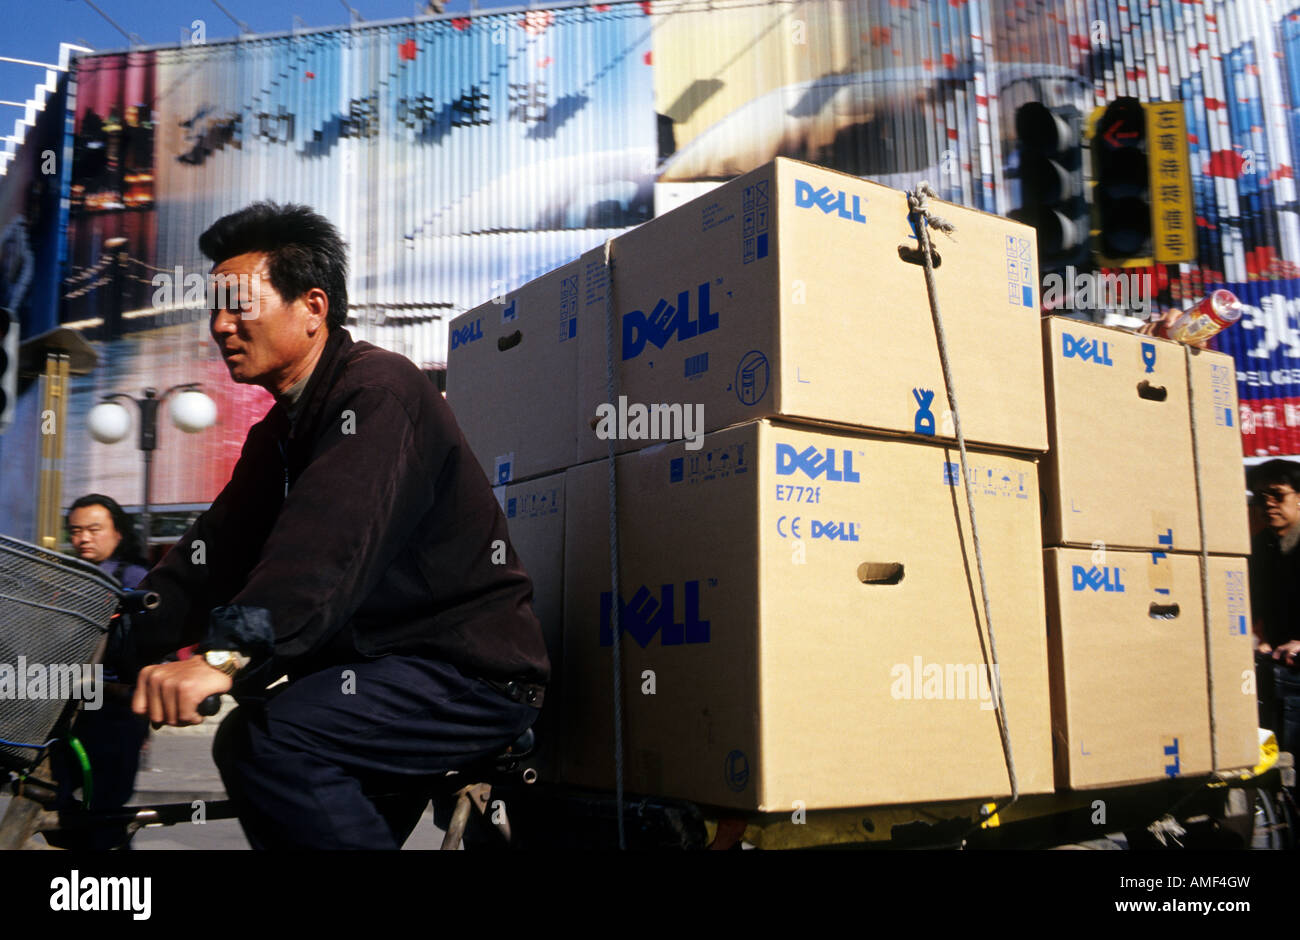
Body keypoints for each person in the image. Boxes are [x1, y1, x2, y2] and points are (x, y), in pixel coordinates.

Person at [128, 202, 549, 849]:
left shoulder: (377, 391)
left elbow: (325, 546)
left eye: (239, 305)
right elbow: (215, 552)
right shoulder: (283, 430)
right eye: (213, 309)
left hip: (464, 673)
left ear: (313, 307)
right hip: (379, 674)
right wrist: (118, 633)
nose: (220, 326)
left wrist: (224, 657)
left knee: (272, 739)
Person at [49, 494, 151, 849]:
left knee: (106, 808)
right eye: (76, 531)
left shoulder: (135, 577)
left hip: (114, 706)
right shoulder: (70, 576)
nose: (83, 539)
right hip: (70, 704)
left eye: (94, 529)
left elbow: (153, 640)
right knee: (60, 803)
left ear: (118, 532)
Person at [1247, 459, 1300, 773]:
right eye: (1260, 498)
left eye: (1277, 496)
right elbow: (1249, 606)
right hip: (1282, 670)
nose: (1268, 505)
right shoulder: (1262, 546)